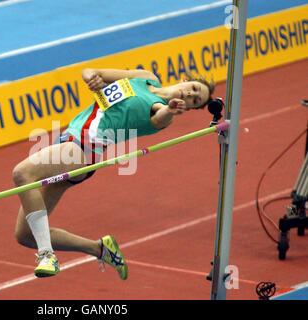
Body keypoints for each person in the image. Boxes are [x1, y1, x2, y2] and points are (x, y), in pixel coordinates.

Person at [12, 68, 215, 279]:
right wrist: (92, 79)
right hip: (68, 139)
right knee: (26, 235)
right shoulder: (145, 78)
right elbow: (92, 71)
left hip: (83, 150)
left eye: (194, 100)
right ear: (185, 80)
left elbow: (160, 117)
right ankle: (100, 249)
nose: (190, 95)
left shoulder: (162, 110)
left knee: (22, 174)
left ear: (188, 108)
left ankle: (47, 256)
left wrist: (170, 109)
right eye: (193, 88)